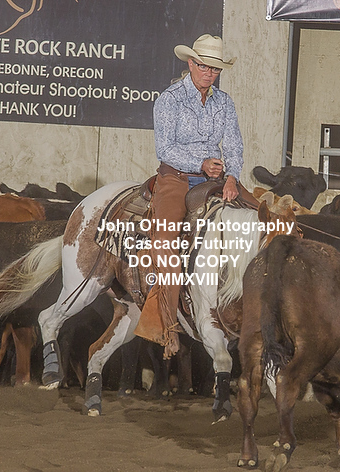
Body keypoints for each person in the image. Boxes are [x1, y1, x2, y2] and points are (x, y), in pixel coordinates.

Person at [134, 34, 244, 358]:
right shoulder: (169, 100)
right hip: (176, 178)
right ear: (191, 64)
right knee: (165, 243)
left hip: (216, 179)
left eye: (215, 69)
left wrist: (232, 176)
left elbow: (234, 145)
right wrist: (201, 164)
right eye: (204, 67)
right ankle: (167, 326)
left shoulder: (224, 102)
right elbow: (165, 149)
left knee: (256, 218)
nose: (209, 74)